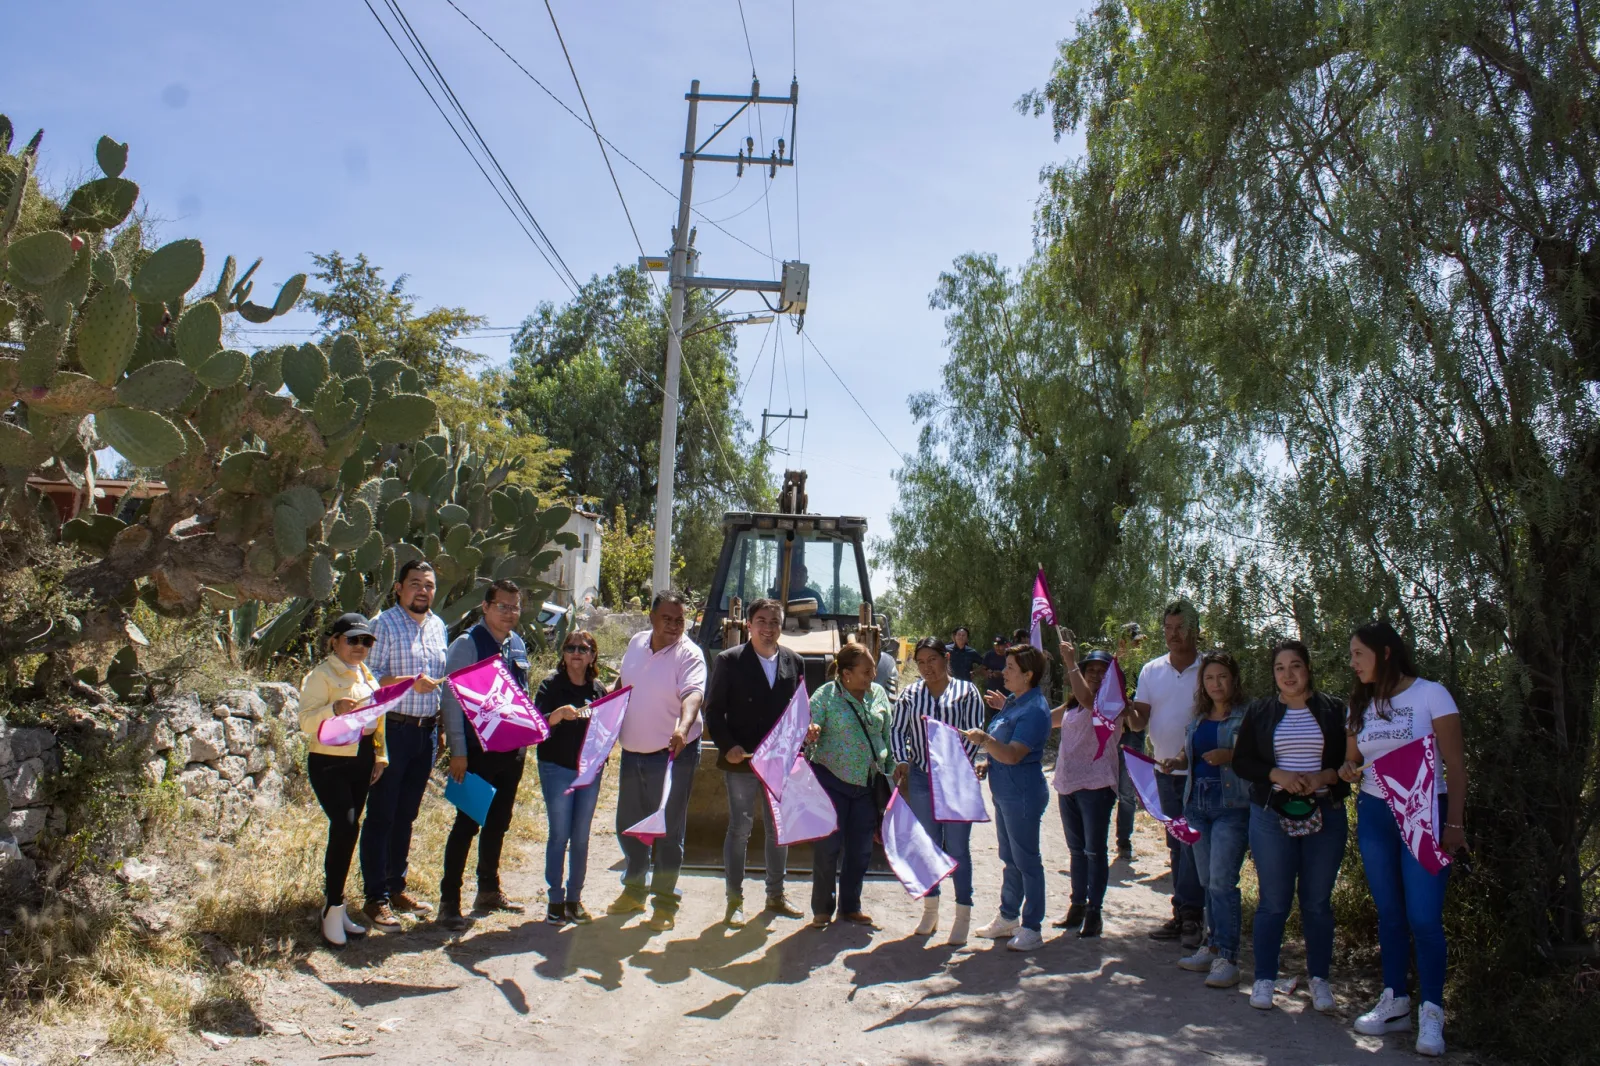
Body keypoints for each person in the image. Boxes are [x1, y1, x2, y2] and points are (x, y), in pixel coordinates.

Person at [1340, 622, 1466, 1058]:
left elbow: (1456, 765)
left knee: (1425, 917)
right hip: (1375, 814)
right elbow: (1351, 760)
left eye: (1359, 654)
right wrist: (1347, 769)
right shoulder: (1361, 704)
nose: (1352, 662)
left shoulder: (1432, 694)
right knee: (1389, 913)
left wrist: (1454, 825)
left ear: (1385, 652)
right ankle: (1395, 1000)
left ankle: (1432, 1011)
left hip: (1425, 814)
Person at [1232, 639, 1350, 1014]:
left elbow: (1350, 768)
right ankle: (1265, 978)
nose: (1288, 675)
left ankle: (1319, 980)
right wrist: (1276, 773)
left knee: (1316, 902)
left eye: (1295, 666)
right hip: (1271, 815)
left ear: (1308, 668)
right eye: (1280, 668)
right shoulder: (1261, 711)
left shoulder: (1334, 711)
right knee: (1273, 901)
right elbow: (1242, 762)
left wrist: (1325, 777)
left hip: (1325, 814)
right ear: (1273, 674)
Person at [703, 597, 806, 927]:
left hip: (779, 764)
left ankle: (775, 895)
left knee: (779, 829)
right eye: (762, 621)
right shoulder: (730, 661)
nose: (768, 628)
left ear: (781, 626)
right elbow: (714, 711)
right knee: (741, 828)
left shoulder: (794, 662)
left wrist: (808, 728)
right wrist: (728, 745)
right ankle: (735, 901)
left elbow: (798, 710)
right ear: (749, 625)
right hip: (741, 762)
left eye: (774, 622)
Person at [436, 580, 533, 929]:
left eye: (515, 607)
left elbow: (523, 696)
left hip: (511, 753)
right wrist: (458, 752)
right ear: (486, 607)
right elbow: (452, 700)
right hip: (477, 754)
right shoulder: (467, 644)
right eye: (503, 606)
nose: (510, 613)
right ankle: (449, 902)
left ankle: (488, 889)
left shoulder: (517, 644)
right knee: (467, 824)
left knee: (499, 822)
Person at [609, 590, 707, 931]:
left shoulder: (689, 654)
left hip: (673, 755)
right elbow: (625, 682)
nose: (675, 626)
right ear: (652, 618)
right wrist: (606, 707)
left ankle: (664, 904)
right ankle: (634, 889)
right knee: (628, 823)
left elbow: (693, 695)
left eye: (680, 620)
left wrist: (683, 727)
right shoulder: (637, 642)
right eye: (668, 618)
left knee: (667, 830)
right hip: (633, 750)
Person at [360, 560, 445, 928]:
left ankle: (396, 886)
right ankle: (374, 897)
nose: (422, 590)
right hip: (392, 729)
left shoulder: (439, 626)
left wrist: (439, 727)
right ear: (399, 588)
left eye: (428, 585)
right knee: (381, 815)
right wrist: (409, 681)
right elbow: (369, 679)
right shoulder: (384, 624)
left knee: (407, 815)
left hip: (425, 733)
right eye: (415, 584)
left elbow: (441, 681)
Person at [299, 613, 389, 947]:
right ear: (334, 640)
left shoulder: (367, 675)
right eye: (352, 639)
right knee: (346, 825)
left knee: (352, 827)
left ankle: (337, 907)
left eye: (366, 641)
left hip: (362, 757)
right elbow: (306, 723)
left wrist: (380, 755)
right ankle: (332, 906)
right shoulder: (321, 676)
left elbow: (376, 719)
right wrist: (333, 709)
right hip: (329, 758)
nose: (360, 647)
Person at [1162, 651, 1251, 988]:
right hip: (1196, 805)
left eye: (1222, 677)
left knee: (1222, 882)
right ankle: (1211, 946)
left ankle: (1228, 956)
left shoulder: (1246, 717)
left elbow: (1257, 756)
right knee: (1206, 881)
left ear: (1234, 680)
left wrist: (1230, 756)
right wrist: (1176, 760)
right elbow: (1191, 752)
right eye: (1210, 678)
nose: (1216, 684)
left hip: (1231, 807)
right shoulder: (1198, 717)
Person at [890, 637, 986, 944]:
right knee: (927, 846)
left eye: (933, 659)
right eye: (921, 662)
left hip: (956, 779)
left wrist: (955, 766)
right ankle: (931, 911)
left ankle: (963, 914)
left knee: (958, 849)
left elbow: (974, 735)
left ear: (946, 658)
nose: (928, 667)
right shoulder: (911, 693)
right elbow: (896, 729)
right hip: (920, 777)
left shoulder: (966, 692)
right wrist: (901, 759)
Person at [1050, 645, 1144, 939]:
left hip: (1097, 786)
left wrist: (1069, 662)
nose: (1094, 674)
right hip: (1068, 785)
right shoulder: (1072, 706)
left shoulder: (1110, 704)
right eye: (1090, 669)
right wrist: (1008, 707)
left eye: (1101, 671)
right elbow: (1042, 718)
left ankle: (1094, 911)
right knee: (1077, 851)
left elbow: (1091, 701)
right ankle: (1077, 905)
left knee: (1094, 851)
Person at [963, 644, 1052, 952]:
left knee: (1027, 861)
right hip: (1004, 792)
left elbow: (1014, 754)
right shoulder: (1014, 702)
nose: (1004, 671)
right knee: (1010, 859)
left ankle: (1032, 927)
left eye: (1011, 667)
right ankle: (1008, 916)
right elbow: (1004, 748)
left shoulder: (1035, 710)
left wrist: (985, 741)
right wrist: (989, 760)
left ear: (1028, 674)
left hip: (1022, 794)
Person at [806, 642, 894, 928]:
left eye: (872, 670)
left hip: (867, 785)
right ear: (846, 674)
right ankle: (822, 909)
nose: (872, 676)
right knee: (828, 848)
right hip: (831, 783)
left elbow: (886, 737)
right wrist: (812, 731)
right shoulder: (826, 696)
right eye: (866, 671)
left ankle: (850, 907)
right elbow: (810, 726)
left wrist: (892, 773)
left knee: (860, 850)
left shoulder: (878, 694)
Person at [1133, 600, 1205, 945]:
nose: (1174, 635)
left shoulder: (1209, 670)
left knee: (1194, 845)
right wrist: (1119, 710)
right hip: (1164, 772)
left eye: (1181, 627)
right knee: (1177, 846)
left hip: (1202, 774)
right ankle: (1182, 914)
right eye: (1168, 628)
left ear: (1196, 629)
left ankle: (1193, 916)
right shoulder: (1151, 671)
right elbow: (1139, 718)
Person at [533, 628, 606, 925]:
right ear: (563, 653)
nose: (576, 653)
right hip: (557, 768)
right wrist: (557, 715)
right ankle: (555, 899)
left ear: (592, 656)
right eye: (571, 648)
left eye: (583, 648)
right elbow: (534, 726)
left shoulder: (598, 689)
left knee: (581, 836)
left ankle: (575, 898)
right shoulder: (551, 685)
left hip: (588, 770)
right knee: (560, 833)